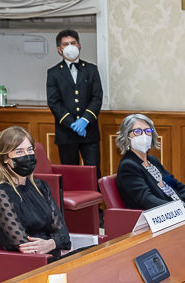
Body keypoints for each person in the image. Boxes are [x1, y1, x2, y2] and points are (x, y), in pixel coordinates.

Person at [0, 126, 72, 262]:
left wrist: (52, 244)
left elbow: (64, 234)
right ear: (5, 158)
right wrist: (58, 248)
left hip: (53, 254)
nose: (27, 156)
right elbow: (25, 246)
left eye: (30, 150)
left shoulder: (41, 186)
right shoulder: (0, 193)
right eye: (19, 152)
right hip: (31, 263)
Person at [45, 29, 103, 184]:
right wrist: (71, 123)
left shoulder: (91, 69)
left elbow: (97, 98)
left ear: (79, 45)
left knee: (94, 173)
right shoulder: (53, 73)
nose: (70, 47)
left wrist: (85, 120)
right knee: (70, 175)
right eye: (66, 44)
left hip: (89, 131)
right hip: (66, 133)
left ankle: (96, 201)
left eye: (73, 43)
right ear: (59, 49)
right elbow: (54, 102)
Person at [115, 114, 185, 211]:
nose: (144, 135)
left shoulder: (152, 160)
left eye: (148, 131)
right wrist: (179, 209)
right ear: (126, 136)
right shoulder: (128, 166)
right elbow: (146, 200)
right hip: (166, 214)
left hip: (183, 209)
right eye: (137, 131)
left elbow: (175, 184)